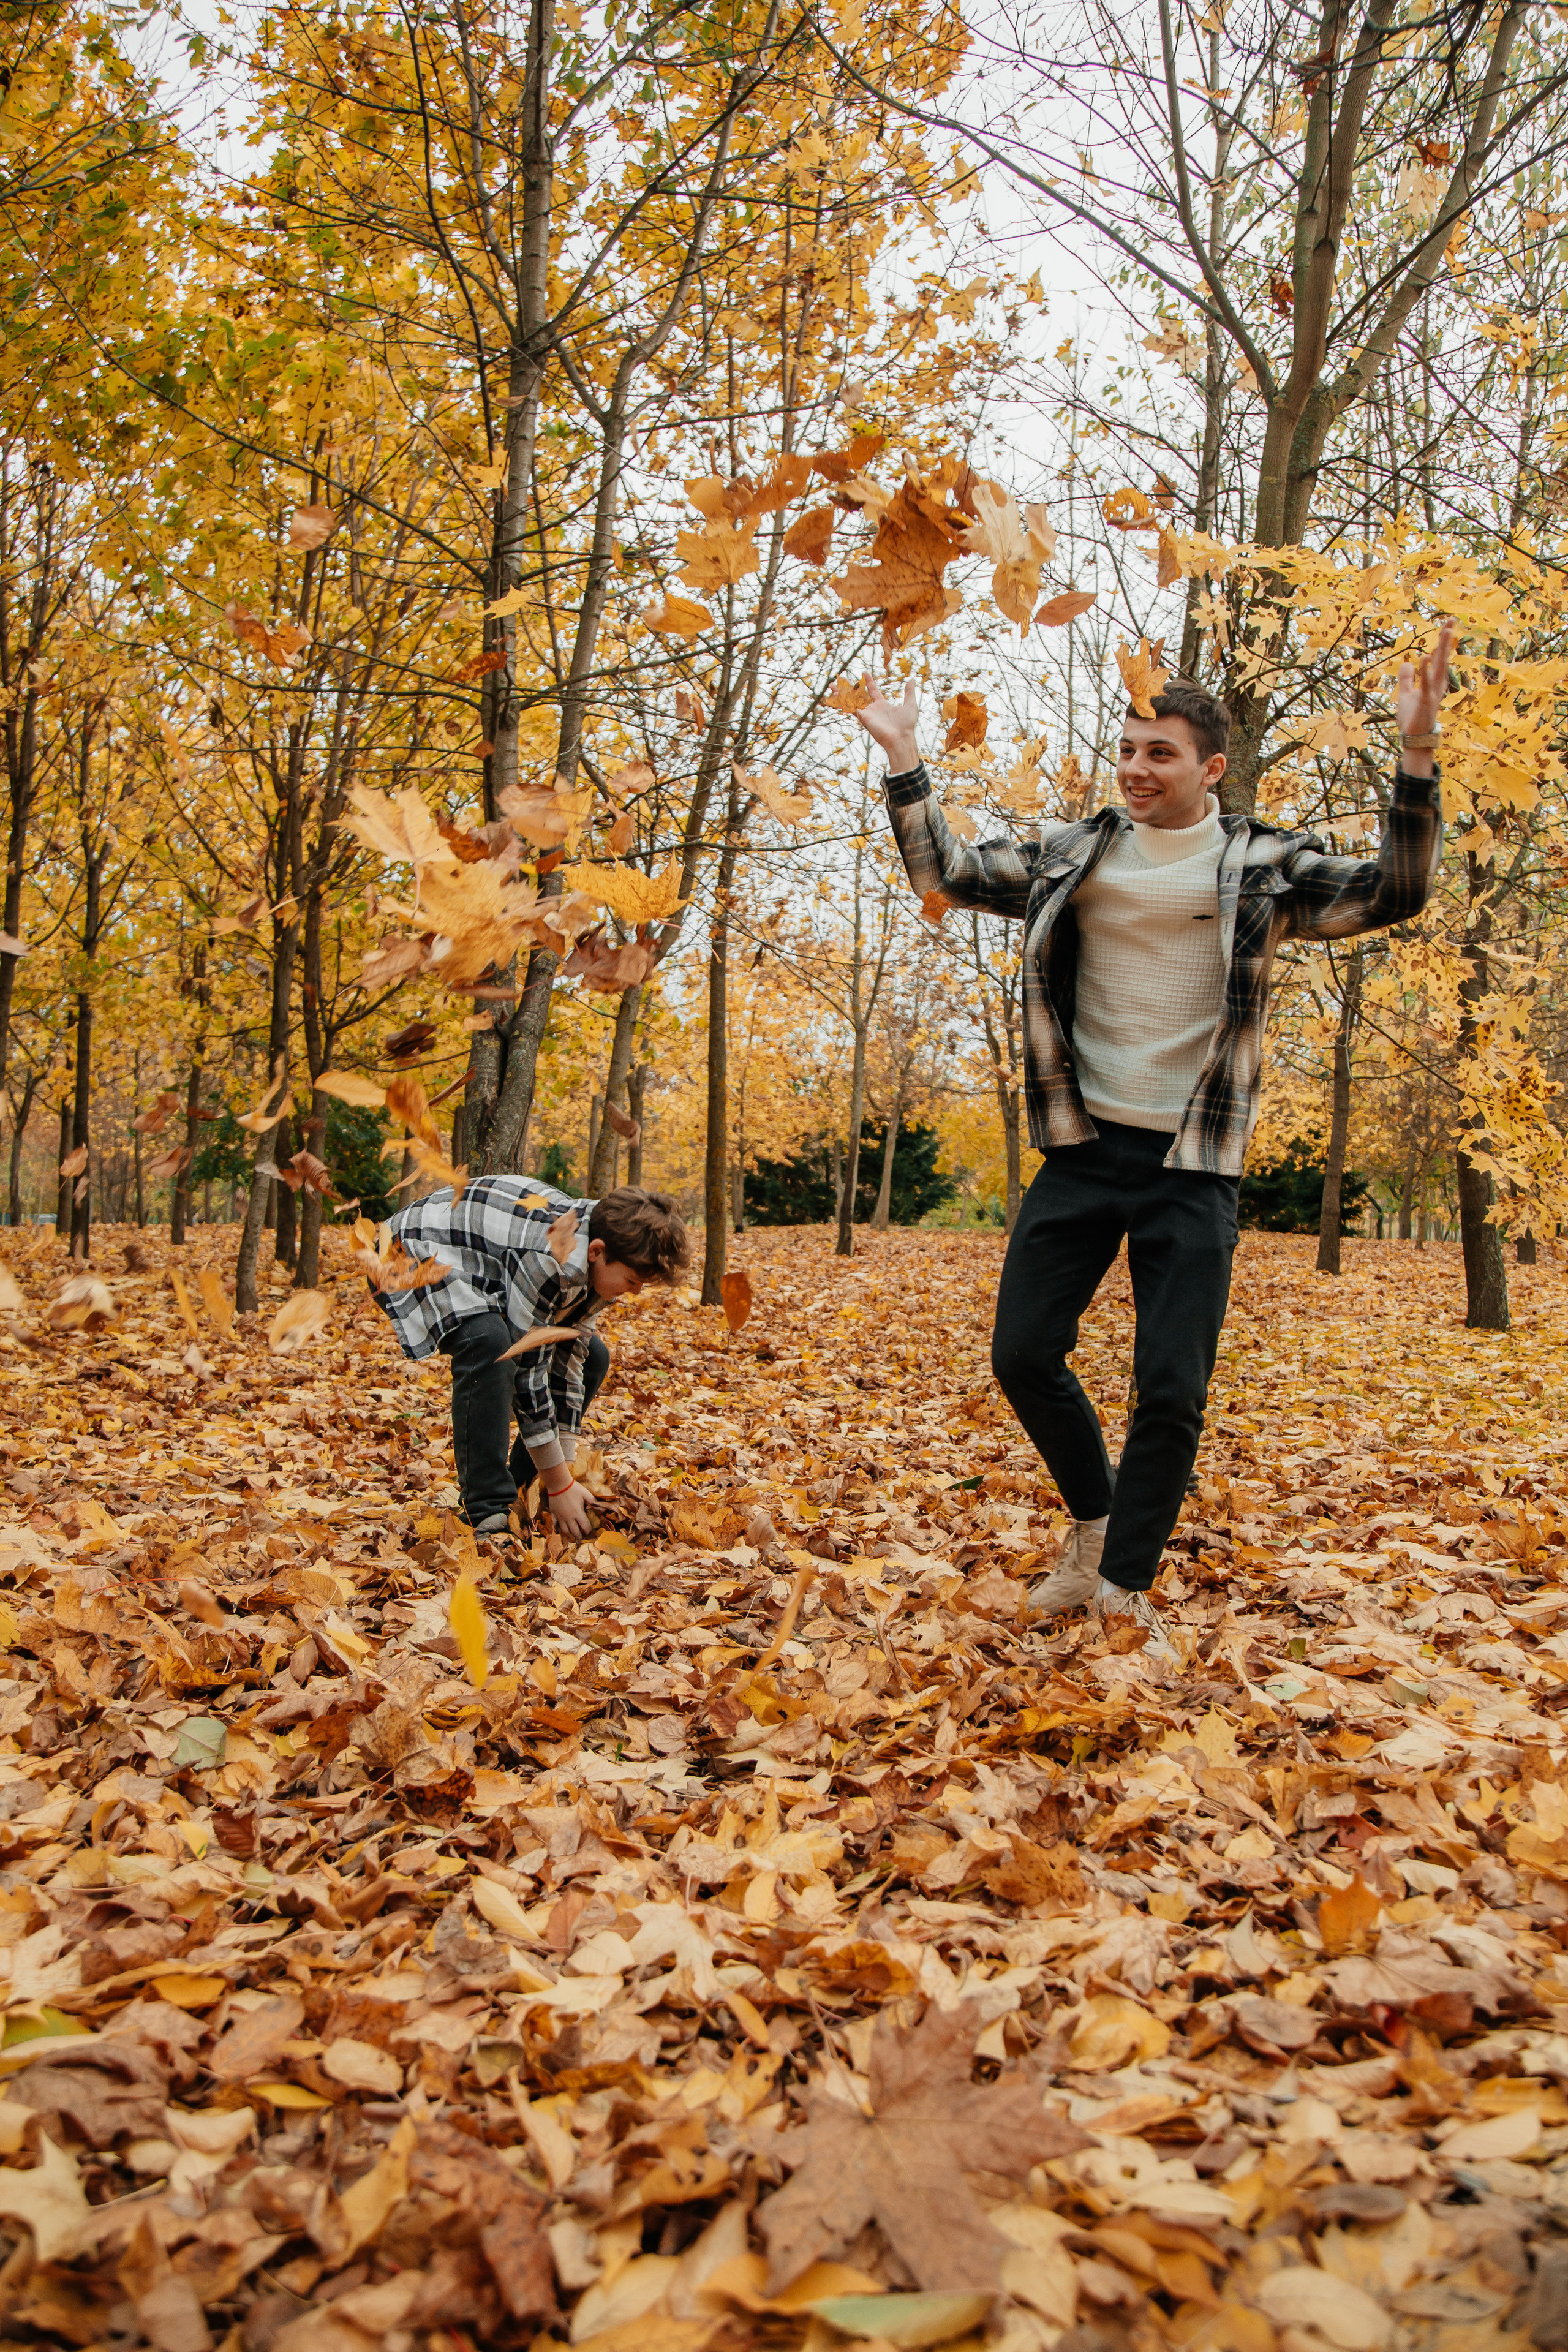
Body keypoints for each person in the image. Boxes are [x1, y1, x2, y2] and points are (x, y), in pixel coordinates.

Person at [856, 626, 1455, 1658]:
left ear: (1210, 768)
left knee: (1171, 1391)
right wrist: (904, 757)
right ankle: (1095, 1526)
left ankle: (1125, 1588)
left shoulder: (1263, 864)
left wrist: (1414, 758)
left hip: (1193, 1168)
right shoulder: (1071, 851)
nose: (1136, 769)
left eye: (1160, 753)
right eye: (1127, 749)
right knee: (1022, 1355)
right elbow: (946, 871)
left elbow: (1391, 893)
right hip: (1082, 1152)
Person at [374, 1178, 692, 1537]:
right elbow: (528, 1374)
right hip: (410, 1249)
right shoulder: (552, 1259)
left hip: (485, 1254)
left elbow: (571, 1362)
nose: (634, 1292)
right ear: (597, 1252)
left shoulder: (603, 1244)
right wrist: (560, 1484)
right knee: (490, 1344)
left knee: (593, 1357)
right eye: (632, 1280)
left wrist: (562, 1474)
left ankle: (526, 1490)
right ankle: (487, 1510)